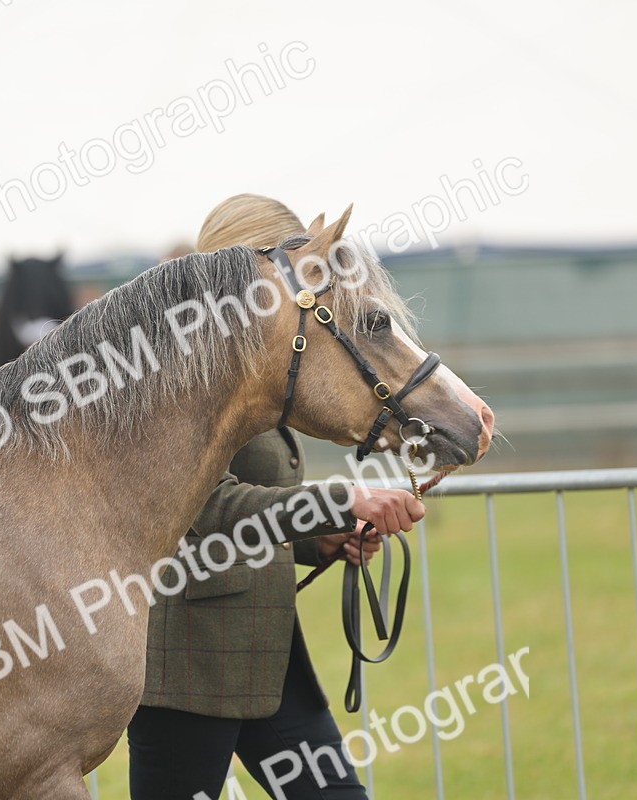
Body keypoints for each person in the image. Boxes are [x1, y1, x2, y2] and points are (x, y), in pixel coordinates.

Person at [127, 195, 425, 799]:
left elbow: (256, 509)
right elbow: (208, 509)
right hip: (189, 665)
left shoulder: (261, 366)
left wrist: (322, 541)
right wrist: (341, 502)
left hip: (270, 657)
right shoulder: (179, 377)